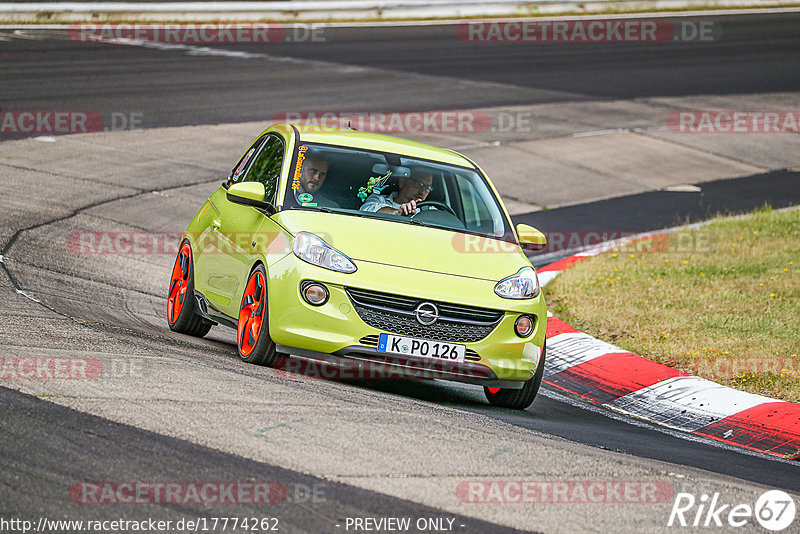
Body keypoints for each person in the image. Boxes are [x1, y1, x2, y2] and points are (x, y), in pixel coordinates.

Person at [360, 167, 434, 216]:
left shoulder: (431, 211)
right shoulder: (379, 200)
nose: (423, 192)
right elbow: (365, 211)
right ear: (402, 181)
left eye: (428, 188)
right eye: (419, 184)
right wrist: (398, 212)